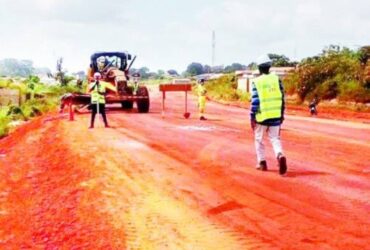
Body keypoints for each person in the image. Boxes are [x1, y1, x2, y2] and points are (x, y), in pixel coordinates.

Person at [250, 54, 287, 175]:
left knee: (259, 139)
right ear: (269, 67)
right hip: (276, 115)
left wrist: (252, 117)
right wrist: (281, 114)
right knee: (275, 138)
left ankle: (262, 162)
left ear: (259, 68)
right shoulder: (277, 79)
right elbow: (282, 98)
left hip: (262, 116)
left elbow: (255, 101)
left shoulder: (257, 82)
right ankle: (279, 154)